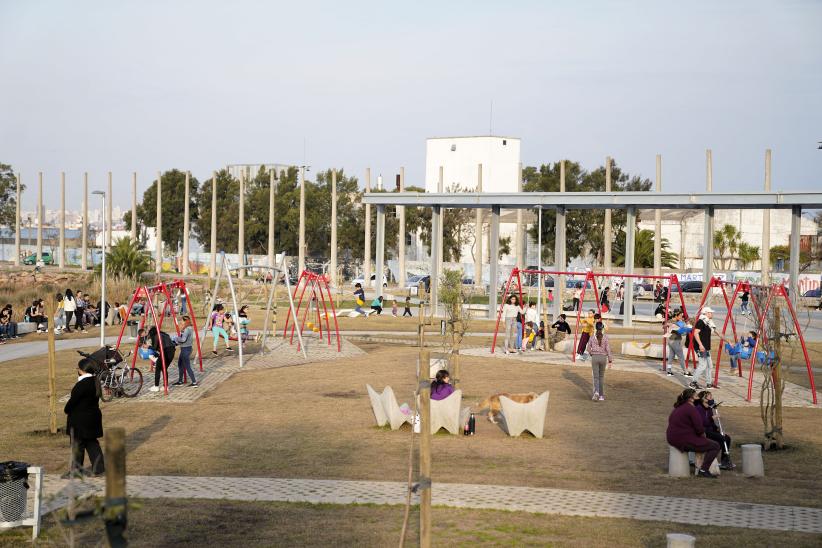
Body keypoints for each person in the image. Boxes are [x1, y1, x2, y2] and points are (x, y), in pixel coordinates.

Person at [64, 358, 105, 476]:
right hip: (92, 418)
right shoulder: (94, 381)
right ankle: (99, 468)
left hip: (80, 420)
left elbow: (73, 401)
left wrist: (66, 409)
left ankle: (76, 471)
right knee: (92, 443)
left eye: (78, 368)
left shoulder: (81, 385)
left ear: (82, 370)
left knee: (78, 445)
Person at [667, 388, 720, 478]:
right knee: (715, 446)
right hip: (682, 439)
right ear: (691, 399)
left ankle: (700, 466)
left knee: (706, 442)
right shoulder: (691, 409)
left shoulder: (679, 407)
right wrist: (703, 437)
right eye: (696, 396)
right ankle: (704, 469)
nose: (698, 398)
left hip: (672, 437)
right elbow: (699, 429)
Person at [695, 391, 735, 470]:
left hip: (710, 430)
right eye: (709, 397)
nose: (711, 398)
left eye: (711, 397)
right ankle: (712, 458)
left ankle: (724, 461)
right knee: (721, 439)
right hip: (703, 431)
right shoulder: (698, 408)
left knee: (727, 438)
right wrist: (712, 418)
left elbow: (711, 423)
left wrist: (716, 427)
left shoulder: (709, 409)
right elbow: (703, 422)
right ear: (703, 399)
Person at [586, 321, 612, 401]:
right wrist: (610, 360)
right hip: (603, 358)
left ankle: (596, 392)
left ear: (595, 328)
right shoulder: (606, 337)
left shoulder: (592, 337)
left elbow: (588, 348)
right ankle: (601, 396)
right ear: (603, 328)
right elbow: (608, 349)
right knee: (601, 377)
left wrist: (591, 354)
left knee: (596, 377)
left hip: (595, 358)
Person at [147, 326, 176, 392]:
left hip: (165, 352)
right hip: (172, 351)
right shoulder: (164, 334)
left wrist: (148, 346)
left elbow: (154, 347)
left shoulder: (157, 336)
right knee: (164, 368)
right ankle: (165, 386)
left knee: (158, 368)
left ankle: (156, 386)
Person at [692, 307, 715, 390]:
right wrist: (701, 345)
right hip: (701, 348)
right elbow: (695, 333)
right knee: (702, 365)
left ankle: (708, 383)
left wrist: (728, 341)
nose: (712, 314)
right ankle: (693, 383)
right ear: (705, 313)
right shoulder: (700, 322)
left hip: (706, 348)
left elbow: (717, 332)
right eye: (710, 312)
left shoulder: (709, 323)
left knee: (710, 366)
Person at [172, 316, 198, 387]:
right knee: (180, 364)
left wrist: (176, 338)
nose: (181, 322)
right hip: (184, 349)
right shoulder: (187, 328)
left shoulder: (187, 329)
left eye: (182, 321)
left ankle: (194, 382)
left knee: (187, 366)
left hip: (186, 349)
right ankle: (180, 381)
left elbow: (183, 340)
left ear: (185, 321)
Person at [664, 309, 691, 377]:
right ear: (676, 316)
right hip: (675, 341)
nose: (681, 317)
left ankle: (669, 371)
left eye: (682, 316)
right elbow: (682, 332)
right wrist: (687, 327)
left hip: (670, 340)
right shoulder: (675, 323)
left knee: (671, 356)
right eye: (680, 316)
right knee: (681, 357)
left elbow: (665, 325)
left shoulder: (672, 321)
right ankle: (685, 372)